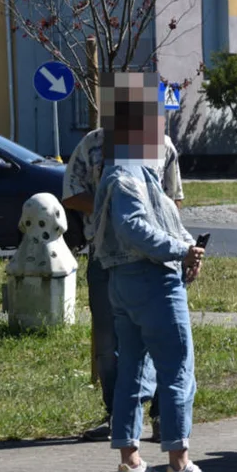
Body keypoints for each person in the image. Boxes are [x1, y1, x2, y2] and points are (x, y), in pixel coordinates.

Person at [91, 71, 223, 472]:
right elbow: (134, 228)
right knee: (177, 369)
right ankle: (179, 467)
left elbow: (162, 219)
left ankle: (130, 463)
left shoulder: (131, 169)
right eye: (156, 117)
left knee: (134, 370)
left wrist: (187, 248)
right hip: (151, 283)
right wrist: (179, 251)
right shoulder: (127, 175)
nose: (162, 124)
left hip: (127, 283)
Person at [63, 123, 184, 442]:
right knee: (109, 343)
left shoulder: (163, 145)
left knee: (162, 340)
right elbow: (72, 193)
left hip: (153, 258)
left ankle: (162, 419)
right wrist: (110, 204)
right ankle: (119, 418)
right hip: (105, 256)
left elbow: (174, 200)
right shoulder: (93, 144)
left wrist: (179, 246)